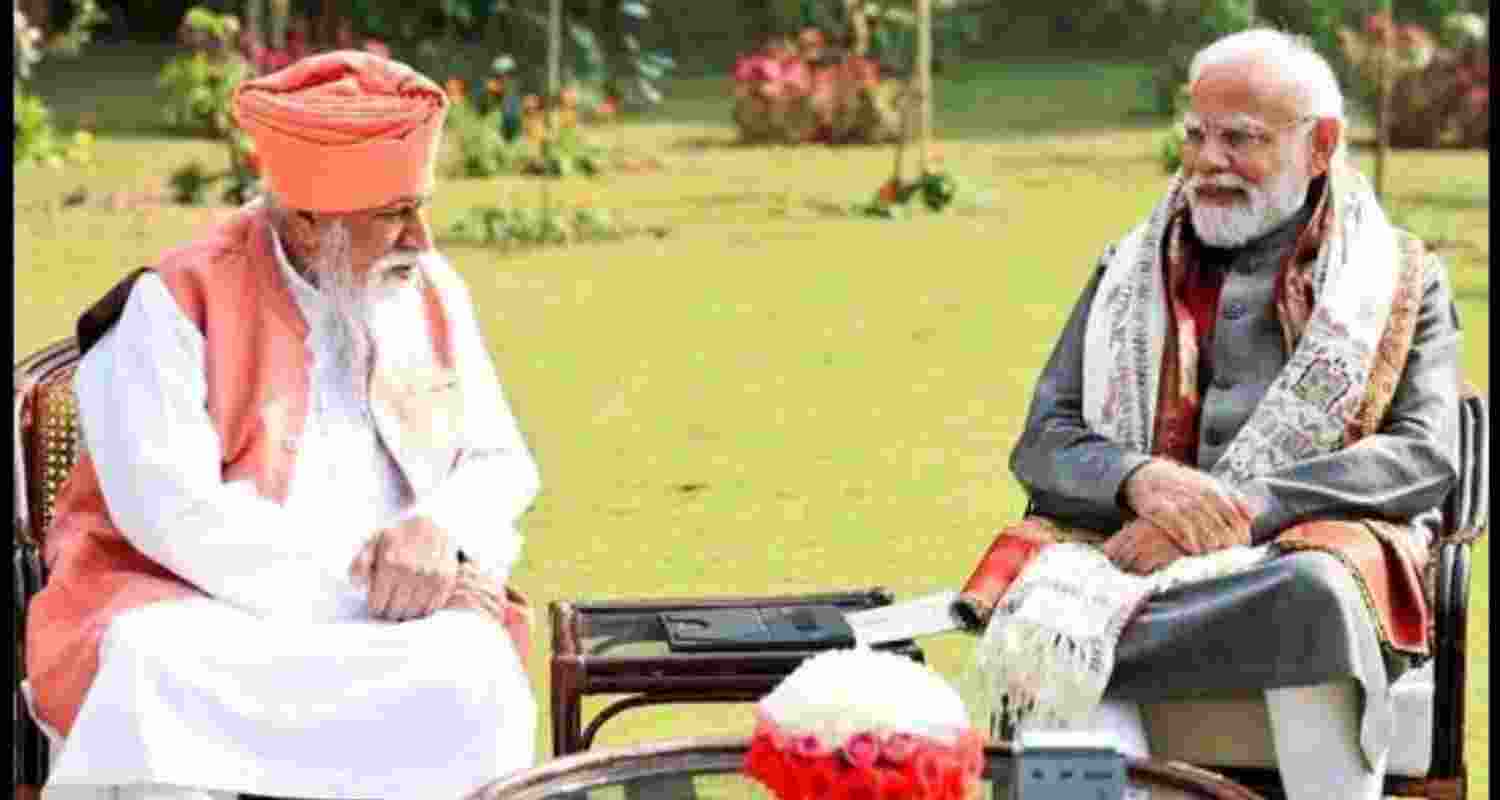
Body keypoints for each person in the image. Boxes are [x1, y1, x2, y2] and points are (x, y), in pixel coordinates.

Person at [25, 51, 542, 800]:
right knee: (152, 667)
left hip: (406, 611)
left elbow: (501, 458)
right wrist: (364, 588)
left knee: (474, 671)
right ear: (307, 220)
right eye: (395, 214)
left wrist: (438, 529)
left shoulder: (427, 291)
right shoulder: (174, 303)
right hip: (206, 609)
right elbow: (174, 516)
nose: (420, 240)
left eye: (420, 206)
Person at [975, 29, 1459, 800]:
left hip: (1292, 558)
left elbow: (1424, 455)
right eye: (1196, 134)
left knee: (1316, 597)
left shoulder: (1401, 280)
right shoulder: (1127, 267)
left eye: (1242, 138)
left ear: (1322, 144)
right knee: (1052, 611)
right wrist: (1139, 479)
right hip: (1125, 557)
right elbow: (1047, 437)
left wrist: (1239, 509)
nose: (1207, 160)